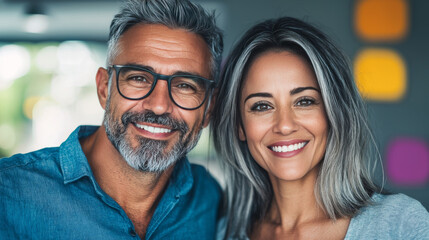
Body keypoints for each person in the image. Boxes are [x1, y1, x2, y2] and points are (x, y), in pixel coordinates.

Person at [0, 0, 223, 239]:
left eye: (184, 86)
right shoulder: (8, 192)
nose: (159, 106)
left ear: (209, 107)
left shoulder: (208, 197)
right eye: (138, 78)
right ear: (104, 88)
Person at [212, 16, 429, 239]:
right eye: (262, 106)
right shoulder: (223, 232)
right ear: (239, 125)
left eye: (304, 101)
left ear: (333, 112)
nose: (285, 125)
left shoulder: (400, 224)